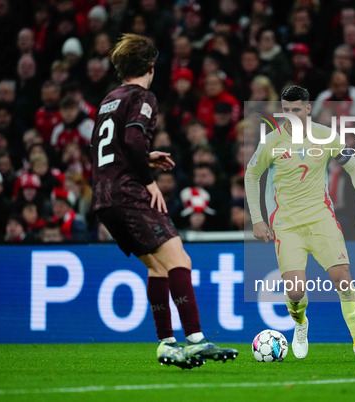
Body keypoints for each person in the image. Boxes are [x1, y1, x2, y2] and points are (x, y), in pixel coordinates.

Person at [90, 34, 237, 370]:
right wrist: (147, 179)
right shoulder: (143, 96)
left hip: (104, 196)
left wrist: (144, 156)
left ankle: (167, 344)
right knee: (179, 261)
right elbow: (132, 137)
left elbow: (105, 148)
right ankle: (197, 340)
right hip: (128, 192)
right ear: (151, 68)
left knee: (157, 267)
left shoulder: (109, 99)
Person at [245, 85, 355, 362]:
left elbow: (354, 167)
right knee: (295, 290)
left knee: (343, 280)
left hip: (321, 218)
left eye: (296, 109)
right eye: (286, 110)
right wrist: (257, 220)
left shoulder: (326, 136)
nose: (291, 115)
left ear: (308, 109)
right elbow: (251, 175)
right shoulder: (271, 141)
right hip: (287, 224)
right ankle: (301, 324)